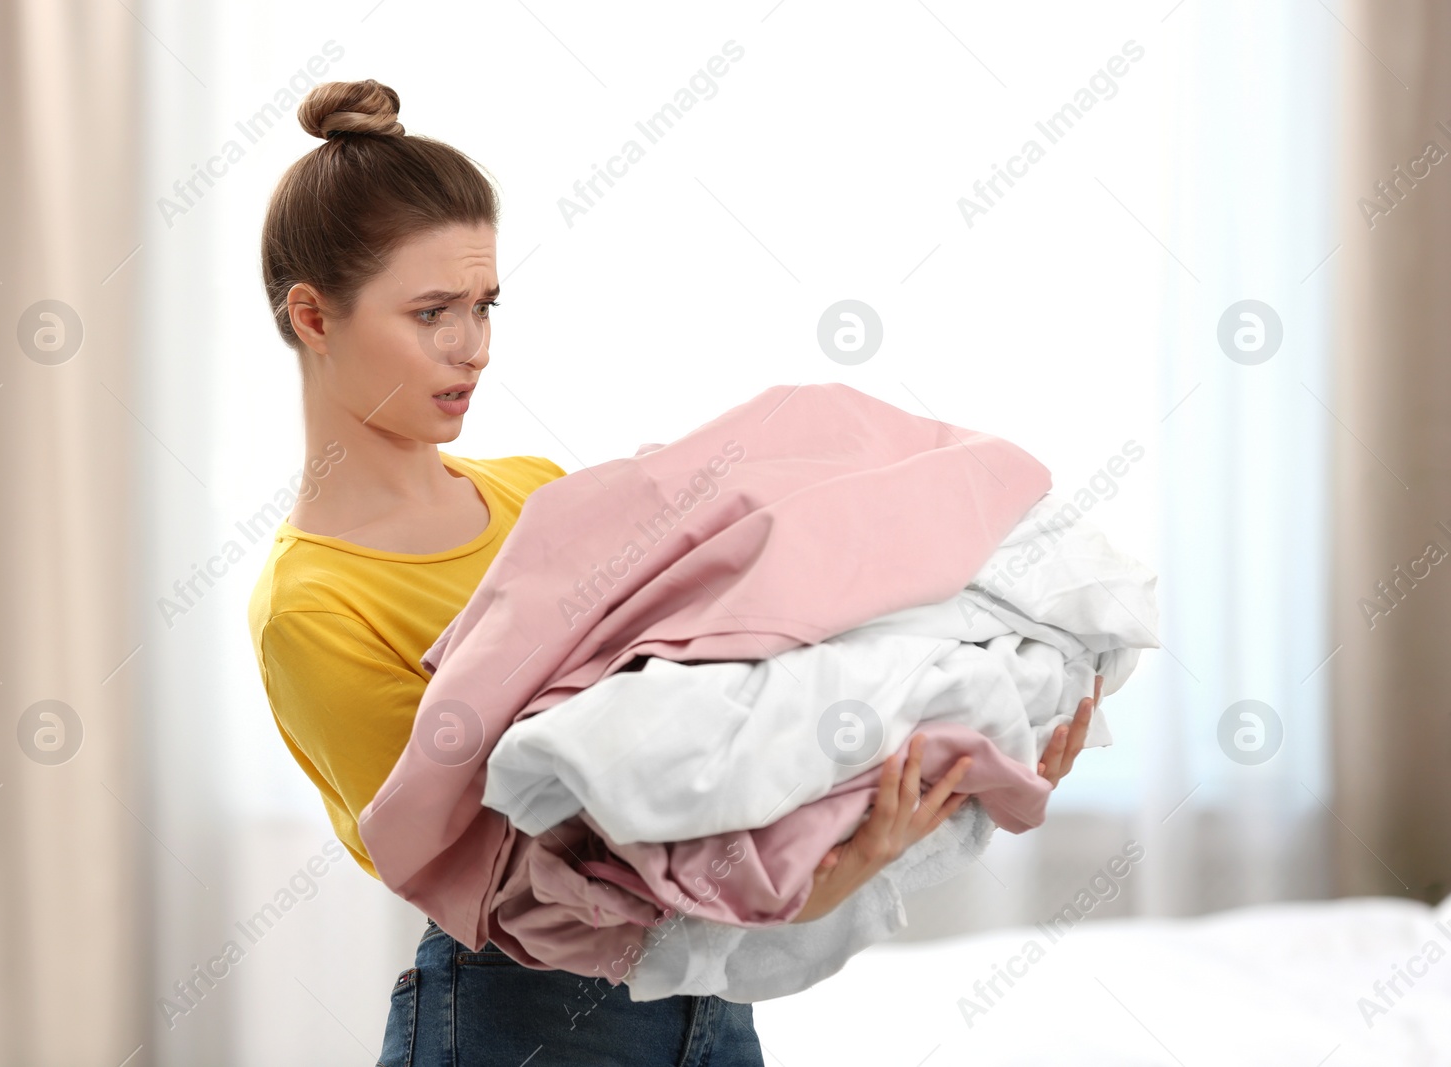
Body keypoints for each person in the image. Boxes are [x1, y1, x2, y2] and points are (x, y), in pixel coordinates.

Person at [247, 77, 1100, 1067]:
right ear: (314, 317)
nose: (472, 347)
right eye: (431, 311)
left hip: (711, 1006)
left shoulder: (538, 495)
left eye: (484, 304)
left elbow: (711, 737)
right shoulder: (313, 606)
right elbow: (499, 869)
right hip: (521, 1027)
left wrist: (943, 753)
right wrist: (808, 882)